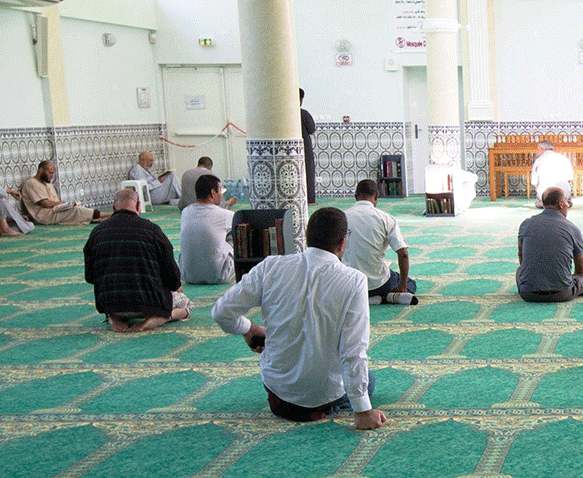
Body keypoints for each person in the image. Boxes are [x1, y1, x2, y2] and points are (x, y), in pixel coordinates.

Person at [212, 207, 385, 429]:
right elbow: (353, 352)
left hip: (278, 396)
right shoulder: (354, 281)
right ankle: (325, 408)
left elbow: (221, 312)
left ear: (306, 236)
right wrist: (363, 411)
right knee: (369, 381)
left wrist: (247, 327)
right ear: (343, 242)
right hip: (323, 396)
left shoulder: (270, 267)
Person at [83, 186, 191, 331]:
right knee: (186, 305)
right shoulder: (152, 230)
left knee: (118, 301)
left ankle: (113, 318)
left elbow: (90, 277)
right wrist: (176, 288)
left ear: (114, 207)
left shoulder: (96, 233)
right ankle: (160, 317)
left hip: (111, 302)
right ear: (139, 206)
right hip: (150, 302)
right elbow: (172, 277)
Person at [345, 179, 418, 305]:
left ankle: (366, 299)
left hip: (350, 284)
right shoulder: (385, 218)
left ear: (356, 196)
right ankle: (388, 297)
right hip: (378, 284)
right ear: (377, 196)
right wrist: (402, 286)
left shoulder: (342, 217)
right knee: (410, 283)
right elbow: (403, 254)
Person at [517, 186, 583, 302]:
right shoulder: (572, 228)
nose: (568, 205)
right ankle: (578, 288)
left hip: (528, 293)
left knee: (519, 271)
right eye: (567, 201)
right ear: (561, 204)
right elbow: (581, 268)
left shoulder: (526, 224)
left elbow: (521, 257)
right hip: (562, 293)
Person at [178, 174, 237, 285]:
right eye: (220, 191)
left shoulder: (185, 212)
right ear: (212, 193)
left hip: (187, 275)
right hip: (218, 275)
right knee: (235, 234)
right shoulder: (225, 215)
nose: (221, 195)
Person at [19, 161, 102, 224]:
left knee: (76, 210)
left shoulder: (47, 184)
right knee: (75, 211)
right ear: (40, 170)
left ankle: (102, 218)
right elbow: (45, 203)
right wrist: (60, 204)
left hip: (54, 210)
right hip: (44, 215)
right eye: (50, 173)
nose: (52, 176)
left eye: (53, 173)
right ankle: (110, 215)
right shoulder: (31, 183)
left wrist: (65, 205)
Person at [300, 88, 317, 205]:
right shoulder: (303, 114)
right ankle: (310, 200)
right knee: (308, 174)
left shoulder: (283, 115)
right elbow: (312, 130)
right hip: (304, 149)